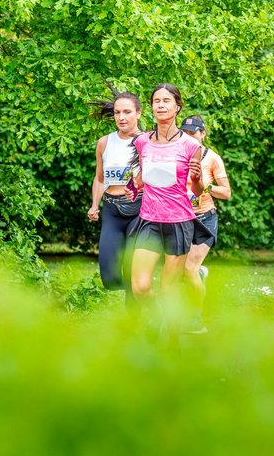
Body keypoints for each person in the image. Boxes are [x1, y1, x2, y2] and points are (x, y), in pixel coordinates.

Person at [127, 84, 207, 308]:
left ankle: (170, 336)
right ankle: (158, 319)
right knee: (140, 287)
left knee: (167, 291)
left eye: (166, 100)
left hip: (179, 222)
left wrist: (198, 178)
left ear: (177, 107)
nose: (161, 105)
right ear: (151, 107)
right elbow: (143, 177)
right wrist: (134, 186)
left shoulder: (191, 145)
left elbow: (198, 191)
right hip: (149, 220)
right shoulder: (142, 142)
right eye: (156, 101)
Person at [87, 91, 144, 291]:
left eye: (127, 112)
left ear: (138, 113)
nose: (121, 117)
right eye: (117, 112)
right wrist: (94, 205)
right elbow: (100, 178)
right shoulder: (104, 142)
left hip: (139, 210)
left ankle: (135, 312)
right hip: (111, 209)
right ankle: (148, 288)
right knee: (109, 277)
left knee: (131, 271)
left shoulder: (147, 141)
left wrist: (138, 186)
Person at [181, 114, 231, 334]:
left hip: (205, 219)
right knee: (179, 271)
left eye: (193, 133)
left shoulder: (213, 159)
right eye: (185, 133)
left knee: (189, 269)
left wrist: (204, 188)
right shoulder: (176, 156)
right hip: (181, 219)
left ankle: (196, 319)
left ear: (203, 134)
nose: (189, 137)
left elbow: (227, 193)